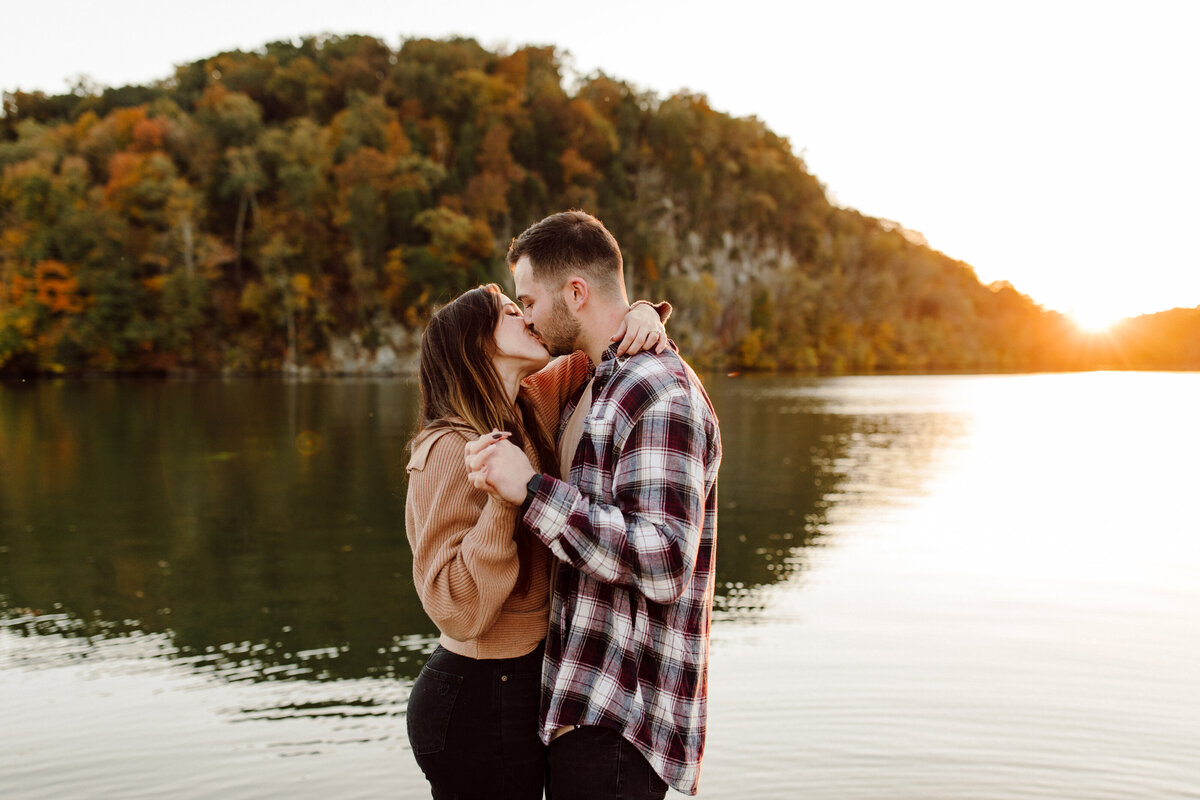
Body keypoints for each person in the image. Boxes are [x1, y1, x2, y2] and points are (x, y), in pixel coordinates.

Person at [466, 211, 722, 799]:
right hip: (583, 706)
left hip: (623, 721)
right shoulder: (591, 379)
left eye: (529, 300)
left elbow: (663, 562)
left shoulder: (660, 394)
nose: (525, 314)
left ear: (575, 292)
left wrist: (531, 490)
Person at [404, 282, 670, 800]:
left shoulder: (530, 403)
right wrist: (508, 499)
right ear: (476, 343)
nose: (527, 319)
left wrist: (644, 313)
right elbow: (456, 609)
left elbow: (597, 344)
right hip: (475, 695)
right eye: (509, 312)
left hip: (525, 683)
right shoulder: (446, 447)